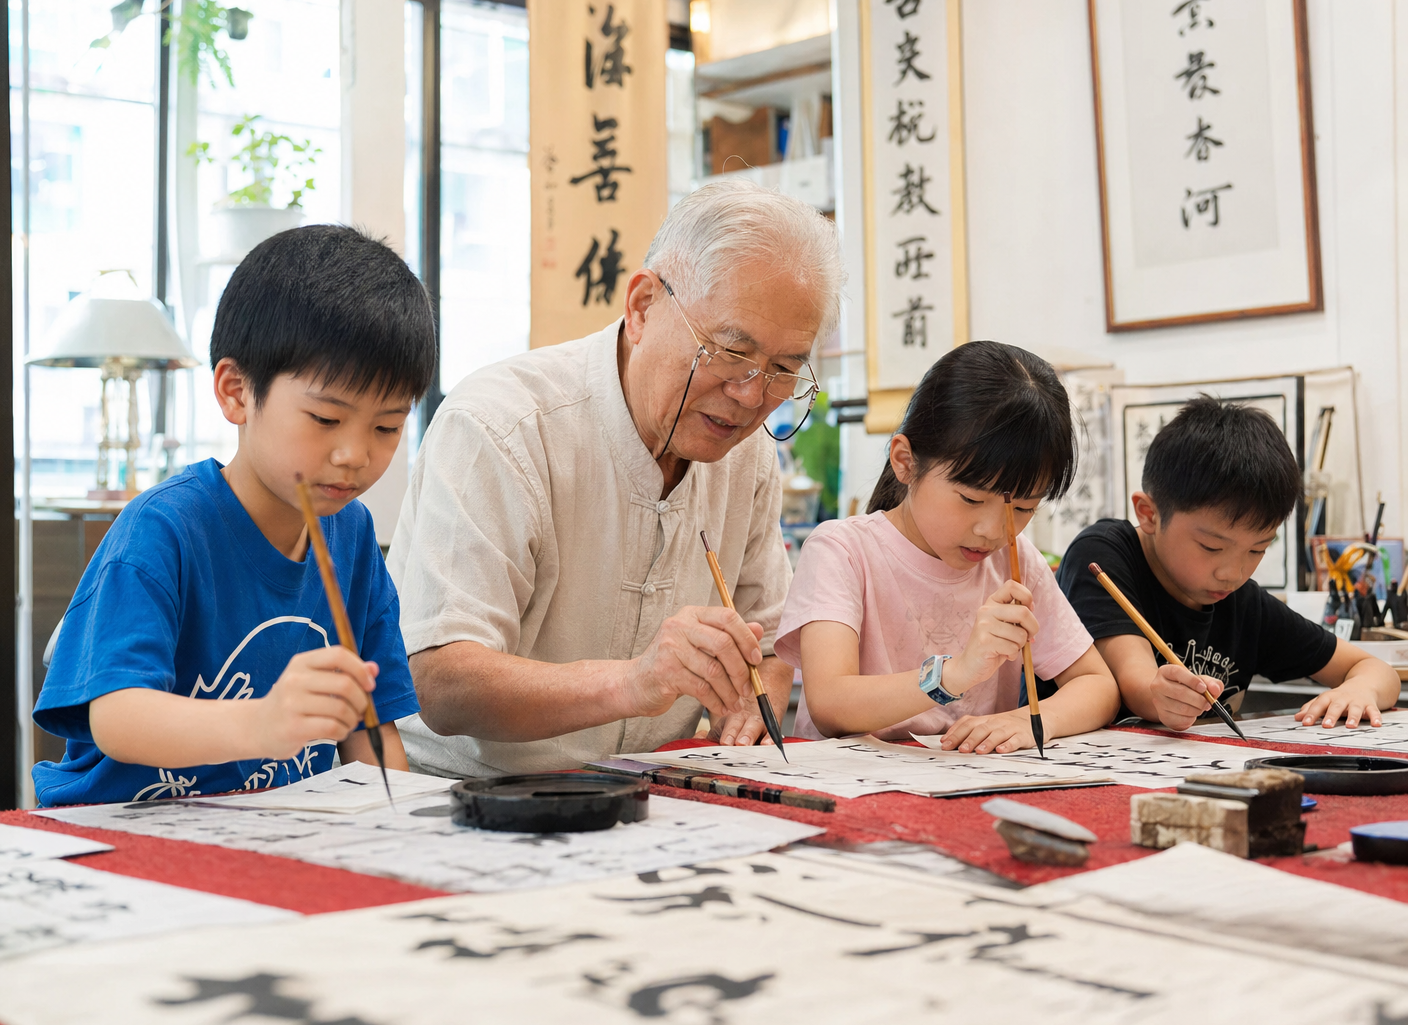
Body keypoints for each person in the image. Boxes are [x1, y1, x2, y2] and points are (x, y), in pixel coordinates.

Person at [388, 178, 841, 777]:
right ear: (642, 307)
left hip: (648, 789)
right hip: (469, 796)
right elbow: (441, 679)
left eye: (784, 369)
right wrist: (634, 681)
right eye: (731, 351)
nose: (752, 395)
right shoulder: (503, 425)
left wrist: (756, 704)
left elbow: (770, 633)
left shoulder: (746, 455)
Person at [32, 226, 435, 806]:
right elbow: (116, 716)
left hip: (278, 832)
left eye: (387, 427)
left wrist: (402, 823)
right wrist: (264, 723)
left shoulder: (352, 535)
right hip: (128, 832)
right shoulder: (163, 530)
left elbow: (370, 732)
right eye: (325, 419)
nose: (354, 454)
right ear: (236, 392)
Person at [775, 341, 1120, 754]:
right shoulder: (842, 550)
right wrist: (952, 677)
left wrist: (1030, 721)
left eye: (1024, 507)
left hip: (965, 789)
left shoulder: (1017, 561)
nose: (992, 530)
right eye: (971, 499)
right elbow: (831, 703)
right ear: (905, 461)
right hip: (851, 791)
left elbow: (1097, 684)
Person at [1057, 397, 1398, 731]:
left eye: (1257, 550)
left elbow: (1374, 669)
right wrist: (1161, 695)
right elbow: (1137, 682)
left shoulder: (1243, 603)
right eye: (1211, 547)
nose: (1232, 574)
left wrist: (1359, 689)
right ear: (1148, 513)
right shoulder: (1103, 555)